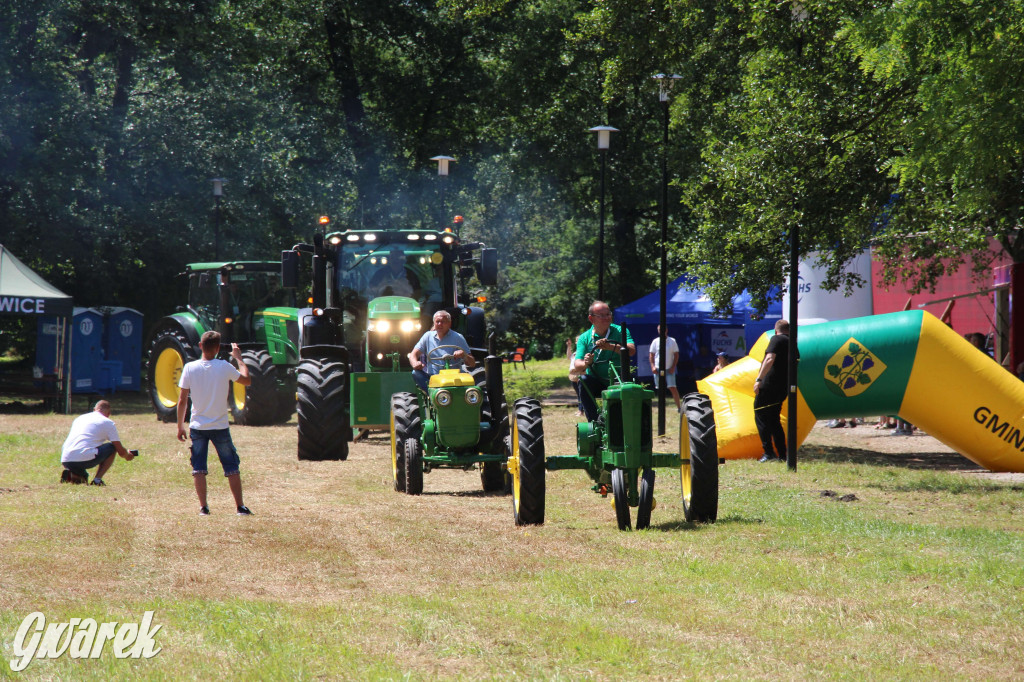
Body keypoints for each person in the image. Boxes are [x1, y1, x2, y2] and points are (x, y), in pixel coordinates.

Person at [176, 331, 253, 516]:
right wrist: (239, 358)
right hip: (220, 427)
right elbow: (247, 380)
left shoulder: (189, 368)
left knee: (198, 468)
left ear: (200, 346)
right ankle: (240, 507)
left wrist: (180, 425)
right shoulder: (224, 366)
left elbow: (182, 400)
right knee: (231, 467)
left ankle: (204, 507)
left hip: (198, 427)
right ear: (218, 348)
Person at [573, 300, 636, 422]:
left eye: (608, 314)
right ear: (591, 319)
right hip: (596, 381)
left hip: (619, 379)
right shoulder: (584, 338)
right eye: (602, 315)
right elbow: (577, 365)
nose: (607, 318)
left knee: (633, 385)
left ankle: (630, 421)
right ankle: (595, 422)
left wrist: (609, 346)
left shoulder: (620, 330)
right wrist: (586, 362)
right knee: (583, 381)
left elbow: (631, 351)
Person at [60, 400, 136, 485]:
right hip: (83, 458)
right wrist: (128, 455)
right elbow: (121, 451)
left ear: (94, 409)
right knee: (112, 447)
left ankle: (72, 474)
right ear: (109, 413)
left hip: (65, 458)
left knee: (84, 477)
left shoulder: (80, 418)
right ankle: (97, 480)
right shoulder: (107, 422)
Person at [753, 319, 796, 463]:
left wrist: (759, 380)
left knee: (761, 416)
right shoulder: (792, 343)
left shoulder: (776, 339)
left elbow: (770, 358)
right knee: (774, 420)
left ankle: (768, 452)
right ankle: (783, 454)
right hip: (783, 387)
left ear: (776, 330)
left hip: (769, 385)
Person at [409, 310, 476, 391]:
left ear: (449, 324)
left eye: (443, 322)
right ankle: (431, 395)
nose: (440, 324)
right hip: (433, 378)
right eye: (437, 322)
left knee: (470, 382)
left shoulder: (458, 337)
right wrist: (415, 363)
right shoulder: (427, 336)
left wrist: (464, 355)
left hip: (454, 378)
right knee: (415, 373)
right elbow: (413, 354)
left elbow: (472, 364)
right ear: (434, 323)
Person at [648, 325, 681, 412]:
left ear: (666, 330)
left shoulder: (672, 341)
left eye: (662, 329)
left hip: (669, 368)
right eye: (659, 330)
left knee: (672, 387)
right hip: (658, 368)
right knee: (659, 389)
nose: (661, 331)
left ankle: (679, 407)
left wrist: (673, 367)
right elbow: (651, 355)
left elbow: (676, 354)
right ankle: (661, 407)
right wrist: (653, 366)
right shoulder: (655, 341)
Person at [567, 336, 584, 418]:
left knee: (581, 393)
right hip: (573, 375)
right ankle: (580, 410)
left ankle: (581, 411)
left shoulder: (583, 352)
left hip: (580, 374)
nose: (577, 342)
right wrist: (569, 346)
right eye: (576, 340)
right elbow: (568, 356)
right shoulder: (574, 353)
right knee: (578, 394)